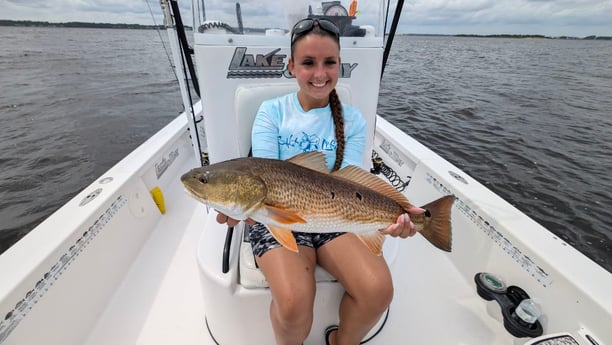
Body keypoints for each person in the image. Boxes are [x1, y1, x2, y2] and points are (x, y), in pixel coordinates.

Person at [216, 18, 423, 345]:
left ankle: (343, 341)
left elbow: (351, 184)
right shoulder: (272, 113)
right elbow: (264, 175)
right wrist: (240, 208)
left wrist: (387, 218)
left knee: (377, 290)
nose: (320, 73)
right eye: (308, 63)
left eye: (329, 62)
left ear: (340, 64)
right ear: (292, 66)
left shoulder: (352, 120)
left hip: (333, 213)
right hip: (274, 215)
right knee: (293, 301)